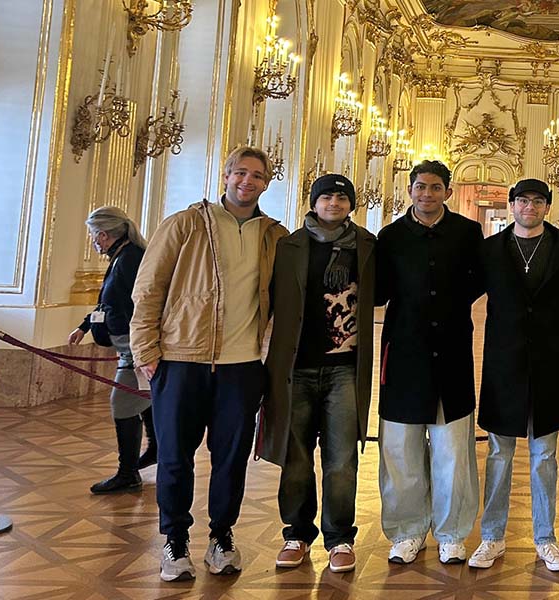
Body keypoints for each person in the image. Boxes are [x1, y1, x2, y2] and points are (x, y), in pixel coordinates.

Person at [130, 146, 289, 582]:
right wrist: (146, 351)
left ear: (266, 183)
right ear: (225, 174)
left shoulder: (274, 235)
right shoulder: (185, 224)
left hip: (242, 366)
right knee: (175, 457)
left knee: (231, 458)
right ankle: (175, 540)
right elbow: (148, 288)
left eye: (257, 175)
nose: (248, 181)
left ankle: (222, 536)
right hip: (182, 360)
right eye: (241, 172)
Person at [258, 174, 376, 573]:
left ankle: (340, 537)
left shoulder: (367, 247)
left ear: (351, 204)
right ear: (313, 202)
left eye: (343, 197)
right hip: (297, 368)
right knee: (295, 456)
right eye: (327, 196)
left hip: (345, 369)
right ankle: (296, 533)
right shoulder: (287, 247)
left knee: (342, 459)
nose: (334, 203)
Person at [374, 160, 484, 565]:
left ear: (448, 192)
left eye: (436, 187)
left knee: (453, 450)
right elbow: (379, 289)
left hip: (452, 351)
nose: (427, 194)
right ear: (410, 190)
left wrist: (451, 306)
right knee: (400, 449)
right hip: (403, 353)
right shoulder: (390, 236)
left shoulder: (468, 233)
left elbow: (479, 280)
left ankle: (452, 531)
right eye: (420, 187)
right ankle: (407, 530)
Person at [468, 179, 559, 572]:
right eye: (522, 200)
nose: (529, 207)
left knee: (545, 455)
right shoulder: (491, 249)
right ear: (512, 205)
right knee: (499, 453)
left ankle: (545, 538)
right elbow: (464, 291)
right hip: (504, 359)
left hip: (550, 360)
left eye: (537, 201)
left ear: (546, 206)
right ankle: (492, 537)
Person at [68, 206, 157, 494]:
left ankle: (128, 473)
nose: (93, 241)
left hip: (136, 349)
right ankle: (157, 449)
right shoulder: (120, 256)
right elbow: (107, 301)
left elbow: (145, 305)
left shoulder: (130, 259)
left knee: (122, 404)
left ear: (104, 235)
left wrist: (145, 349)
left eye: (93, 235)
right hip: (128, 348)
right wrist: (84, 326)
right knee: (143, 401)